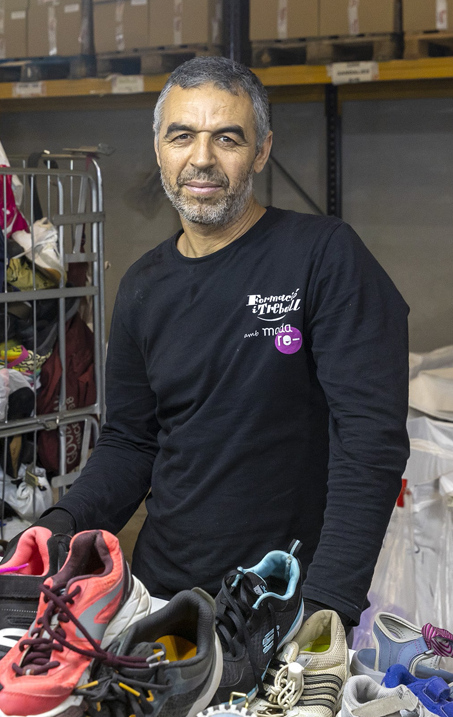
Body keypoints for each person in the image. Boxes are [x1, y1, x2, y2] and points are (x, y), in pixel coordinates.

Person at [34, 56, 409, 631]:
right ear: (159, 148)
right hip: (161, 595)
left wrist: (329, 602)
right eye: (182, 136)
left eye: (227, 138)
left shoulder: (324, 255)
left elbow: (369, 441)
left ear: (261, 151)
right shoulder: (143, 285)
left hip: (280, 604)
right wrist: (60, 522)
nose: (202, 158)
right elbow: (132, 441)